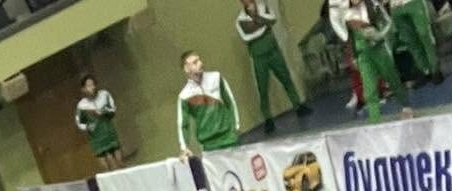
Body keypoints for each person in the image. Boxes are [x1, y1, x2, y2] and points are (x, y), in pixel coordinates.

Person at [234, 2, 313, 135]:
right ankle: (268, 119)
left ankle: (298, 106)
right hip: (259, 57)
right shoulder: (240, 20)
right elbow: (246, 38)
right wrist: (264, 27)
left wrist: (257, 20)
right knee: (263, 88)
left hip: (274, 51)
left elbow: (272, 19)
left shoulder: (263, 7)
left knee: (286, 78)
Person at [329, 1, 415, 122]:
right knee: (369, 89)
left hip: (379, 48)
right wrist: (353, 55)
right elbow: (346, 36)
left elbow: (388, 22)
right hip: (362, 53)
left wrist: (379, 35)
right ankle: (375, 120)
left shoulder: (372, 4)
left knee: (392, 79)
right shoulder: (344, 11)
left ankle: (406, 106)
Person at [177, 51, 240, 156]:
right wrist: (184, 148)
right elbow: (183, 124)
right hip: (209, 146)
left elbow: (230, 102)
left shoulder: (216, 77)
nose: (200, 63)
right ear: (186, 69)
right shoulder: (184, 96)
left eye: (199, 60)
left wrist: (236, 127)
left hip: (229, 138)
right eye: (195, 62)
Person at [386, 0, 444, 83]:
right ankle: (425, 70)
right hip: (395, 7)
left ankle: (435, 70)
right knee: (410, 41)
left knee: (424, 35)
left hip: (413, 3)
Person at [74, 74, 123, 170]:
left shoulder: (104, 95)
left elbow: (113, 109)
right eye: (89, 86)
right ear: (83, 89)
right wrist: (88, 127)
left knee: (119, 163)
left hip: (109, 133)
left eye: (93, 84)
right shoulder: (82, 105)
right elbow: (79, 122)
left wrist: (103, 112)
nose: (92, 87)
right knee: (107, 167)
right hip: (97, 138)